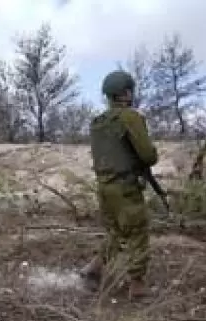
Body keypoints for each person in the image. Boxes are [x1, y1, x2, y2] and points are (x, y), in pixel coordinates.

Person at [80, 70, 159, 300]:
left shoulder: (97, 123)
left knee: (115, 232)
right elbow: (148, 155)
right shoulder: (130, 117)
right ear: (126, 93)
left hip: (104, 186)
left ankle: (93, 269)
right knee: (137, 232)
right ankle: (137, 284)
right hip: (125, 187)